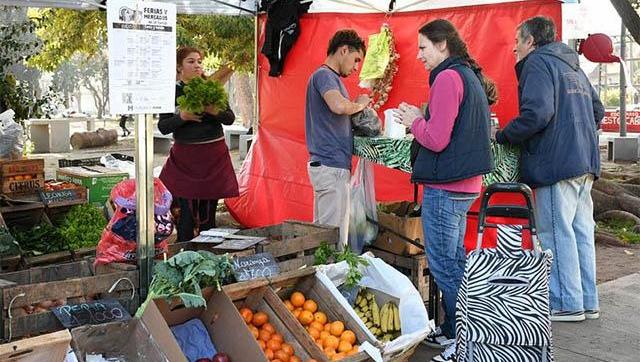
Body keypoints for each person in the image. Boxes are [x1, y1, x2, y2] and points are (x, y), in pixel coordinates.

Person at [396, 19, 496, 362]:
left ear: (443, 45)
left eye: (423, 48)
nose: (419, 56)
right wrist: (422, 117)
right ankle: (455, 330)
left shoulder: (447, 77)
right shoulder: (467, 75)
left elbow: (436, 139)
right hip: (465, 185)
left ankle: (465, 340)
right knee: (455, 261)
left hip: (446, 186)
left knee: (444, 266)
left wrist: (413, 121)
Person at [495, 16, 605, 322]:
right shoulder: (572, 65)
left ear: (530, 41)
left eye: (517, 41)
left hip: (556, 163)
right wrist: (576, 133)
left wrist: (503, 134)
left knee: (555, 233)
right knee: (580, 233)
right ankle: (587, 301)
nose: (514, 48)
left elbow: (537, 114)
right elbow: (598, 111)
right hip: (585, 162)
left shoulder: (538, 63)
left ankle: (566, 303)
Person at [158, 46, 239, 242]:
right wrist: (182, 116)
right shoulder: (171, 91)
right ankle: (185, 249)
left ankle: (209, 254)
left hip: (213, 158)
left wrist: (213, 111)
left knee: (208, 213)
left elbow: (229, 118)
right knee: (185, 213)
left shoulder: (212, 87)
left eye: (199, 61)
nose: (197, 66)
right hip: (185, 160)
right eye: (191, 61)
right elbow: (163, 126)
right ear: (179, 67)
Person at [305, 29, 369, 249]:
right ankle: (324, 281)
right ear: (343, 50)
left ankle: (330, 280)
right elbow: (339, 106)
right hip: (329, 166)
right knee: (328, 240)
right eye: (356, 59)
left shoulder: (331, 79)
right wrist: (360, 104)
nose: (356, 67)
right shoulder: (324, 75)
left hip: (334, 166)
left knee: (334, 237)